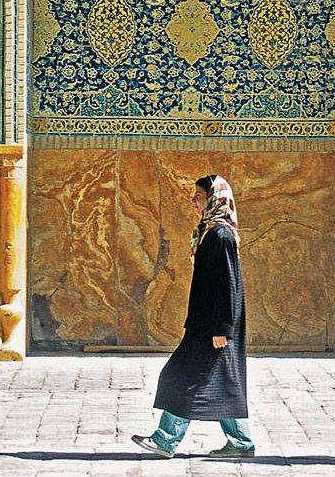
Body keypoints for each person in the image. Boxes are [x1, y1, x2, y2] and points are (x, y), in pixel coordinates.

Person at [131, 174, 255, 459]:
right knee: (224, 382)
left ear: (213, 198)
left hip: (215, 326)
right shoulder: (211, 232)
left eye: (198, 195)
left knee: (182, 376)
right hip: (207, 323)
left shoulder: (220, 235)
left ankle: (165, 439)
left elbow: (227, 284)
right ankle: (241, 442)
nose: (193, 200)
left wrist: (222, 327)